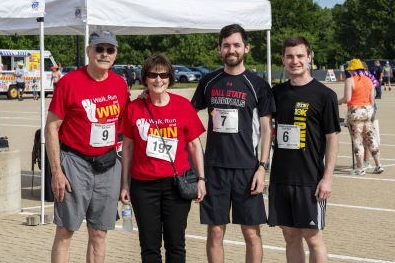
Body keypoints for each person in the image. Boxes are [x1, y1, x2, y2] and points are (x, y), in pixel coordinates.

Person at [191, 24, 275, 263]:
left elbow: (267, 129)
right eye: (226, 45)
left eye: (237, 45)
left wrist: (262, 167)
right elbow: (186, 115)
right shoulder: (209, 81)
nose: (231, 49)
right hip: (214, 169)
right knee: (215, 231)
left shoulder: (258, 85)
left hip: (248, 169)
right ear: (219, 49)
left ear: (246, 48)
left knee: (251, 232)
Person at [45, 30, 129, 263]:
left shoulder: (120, 85)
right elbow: (51, 127)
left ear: (115, 54)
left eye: (109, 50)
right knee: (65, 230)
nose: (104, 54)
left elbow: (124, 126)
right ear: (88, 51)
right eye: (99, 49)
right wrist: (56, 172)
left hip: (108, 164)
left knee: (99, 233)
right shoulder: (69, 83)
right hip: (75, 164)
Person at [120, 53, 206, 263]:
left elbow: (195, 145)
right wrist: (124, 184)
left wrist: (202, 180)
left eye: (163, 74)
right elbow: (128, 148)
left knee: (176, 244)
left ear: (170, 77)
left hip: (176, 185)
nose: (158, 80)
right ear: (145, 78)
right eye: (152, 75)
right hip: (143, 186)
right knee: (149, 247)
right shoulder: (134, 108)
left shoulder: (183, 106)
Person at [268, 37, 340, 263]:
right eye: (289, 56)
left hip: (310, 179)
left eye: (300, 56)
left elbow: (332, 139)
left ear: (309, 57)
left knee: (313, 238)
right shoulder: (276, 93)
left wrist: (327, 178)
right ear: (282, 59)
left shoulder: (325, 95)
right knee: (289, 236)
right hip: (281, 178)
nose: (295, 61)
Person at [338, 58, 384, 175]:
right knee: (370, 139)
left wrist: (337, 101)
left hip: (355, 113)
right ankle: (378, 165)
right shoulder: (369, 80)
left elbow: (347, 99)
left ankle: (360, 168)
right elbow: (372, 100)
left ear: (352, 69)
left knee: (357, 141)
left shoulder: (350, 80)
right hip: (368, 111)